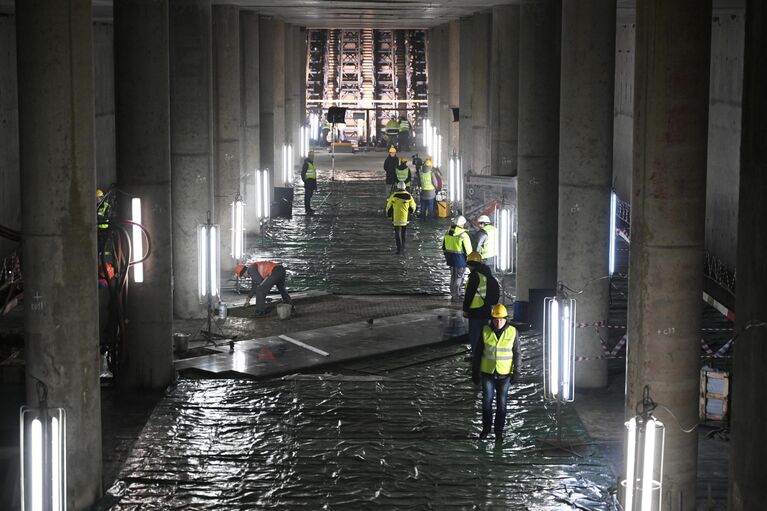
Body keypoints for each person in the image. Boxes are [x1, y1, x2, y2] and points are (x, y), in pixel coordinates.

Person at [472, 303, 520, 440]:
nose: (498, 322)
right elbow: (478, 352)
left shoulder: (513, 332)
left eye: (501, 319)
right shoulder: (485, 331)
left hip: (505, 375)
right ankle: (486, 429)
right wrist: (475, 372)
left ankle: (498, 431)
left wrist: (517, 372)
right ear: (492, 319)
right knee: (486, 403)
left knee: (502, 404)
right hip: (488, 373)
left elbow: (517, 354)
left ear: (506, 318)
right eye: (495, 319)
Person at [464, 251, 500, 352]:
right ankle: (483, 353)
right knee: (484, 333)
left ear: (471, 264)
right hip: (486, 309)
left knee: (475, 334)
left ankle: (476, 355)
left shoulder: (475, 276)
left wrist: (465, 309)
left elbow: (469, 295)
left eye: (468, 265)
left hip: (475, 310)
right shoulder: (486, 274)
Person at [442, 215, 473, 301]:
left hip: (450, 259)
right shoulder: (464, 235)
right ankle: (456, 295)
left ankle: (453, 293)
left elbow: (443, 246)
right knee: (459, 277)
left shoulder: (447, 232)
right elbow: (469, 250)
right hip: (460, 260)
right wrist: (471, 260)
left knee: (453, 276)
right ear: (463, 224)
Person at [385, 181, 416, 254]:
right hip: (405, 218)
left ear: (398, 187)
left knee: (397, 233)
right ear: (405, 187)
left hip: (396, 218)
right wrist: (410, 212)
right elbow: (413, 207)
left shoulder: (394, 196)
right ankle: (403, 248)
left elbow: (388, 206)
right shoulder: (409, 196)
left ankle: (399, 249)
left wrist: (388, 214)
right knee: (403, 233)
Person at [301, 150, 317, 215]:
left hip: (312, 181)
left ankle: (309, 208)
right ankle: (307, 209)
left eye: (313, 156)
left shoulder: (312, 163)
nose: (312, 157)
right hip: (308, 181)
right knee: (307, 196)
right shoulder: (306, 163)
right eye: (311, 156)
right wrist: (305, 180)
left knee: (310, 196)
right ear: (309, 156)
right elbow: (303, 173)